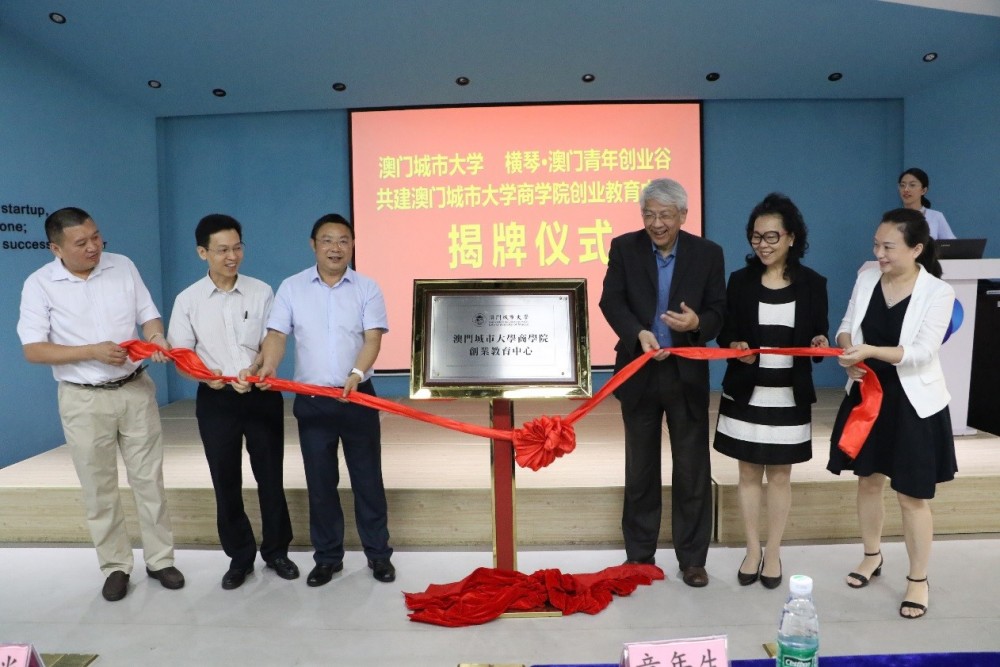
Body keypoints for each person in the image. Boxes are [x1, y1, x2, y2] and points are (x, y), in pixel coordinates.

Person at [17, 207, 184, 602]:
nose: (94, 247)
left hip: (135, 389)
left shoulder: (122, 266)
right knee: (98, 487)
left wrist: (157, 337)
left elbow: (149, 317)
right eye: (82, 242)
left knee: (150, 480)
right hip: (83, 399)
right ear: (55, 247)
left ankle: (160, 560)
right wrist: (91, 351)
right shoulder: (39, 284)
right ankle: (115, 566)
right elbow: (34, 350)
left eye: (97, 237)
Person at [827, 208, 957, 619]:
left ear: (917, 249)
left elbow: (921, 352)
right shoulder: (867, 277)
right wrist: (848, 351)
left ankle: (918, 580)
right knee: (868, 481)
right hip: (868, 394)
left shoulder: (938, 292)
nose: (879, 254)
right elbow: (846, 325)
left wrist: (868, 352)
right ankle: (871, 556)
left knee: (912, 496)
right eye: (876, 245)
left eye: (889, 247)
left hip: (913, 403)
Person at [255, 213, 395, 585]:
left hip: (358, 396)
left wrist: (355, 375)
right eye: (328, 240)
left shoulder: (367, 287)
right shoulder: (292, 287)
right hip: (313, 401)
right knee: (320, 483)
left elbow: (373, 339)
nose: (336, 247)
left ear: (352, 245)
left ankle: (378, 555)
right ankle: (328, 557)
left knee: (368, 480)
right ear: (313, 245)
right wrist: (268, 365)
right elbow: (277, 334)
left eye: (344, 240)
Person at [599, 178, 726, 587]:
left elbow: (718, 311)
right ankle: (639, 557)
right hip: (639, 371)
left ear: (683, 216)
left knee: (692, 469)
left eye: (665, 216)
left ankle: (692, 560)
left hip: (685, 373)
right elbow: (610, 300)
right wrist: (638, 332)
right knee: (640, 469)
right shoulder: (624, 248)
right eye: (649, 215)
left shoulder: (708, 254)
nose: (656, 224)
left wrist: (696, 324)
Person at [167, 214, 297, 590]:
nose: (232, 256)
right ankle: (240, 557)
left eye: (237, 247)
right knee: (225, 480)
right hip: (216, 401)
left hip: (261, 395)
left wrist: (259, 367)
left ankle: (277, 551)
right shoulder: (188, 300)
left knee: (271, 476)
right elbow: (182, 356)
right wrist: (212, 378)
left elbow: (272, 340)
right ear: (202, 252)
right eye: (222, 250)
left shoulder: (261, 291)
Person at [712, 193, 829, 590]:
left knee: (780, 476)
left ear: (792, 238)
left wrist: (818, 341)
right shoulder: (739, 281)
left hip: (788, 396)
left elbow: (819, 334)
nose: (763, 244)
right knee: (747, 473)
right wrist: (735, 347)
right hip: (746, 393)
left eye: (771, 236)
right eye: (756, 237)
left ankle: (774, 551)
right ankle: (750, 548)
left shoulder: (814, 284)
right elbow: (727, 333)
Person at [897, 168, 955, 240]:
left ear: (924, 190)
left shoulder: (936, 217)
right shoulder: (893, 218)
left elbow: (951, 245)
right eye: (902, 185)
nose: (906, 189)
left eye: (912, 185)